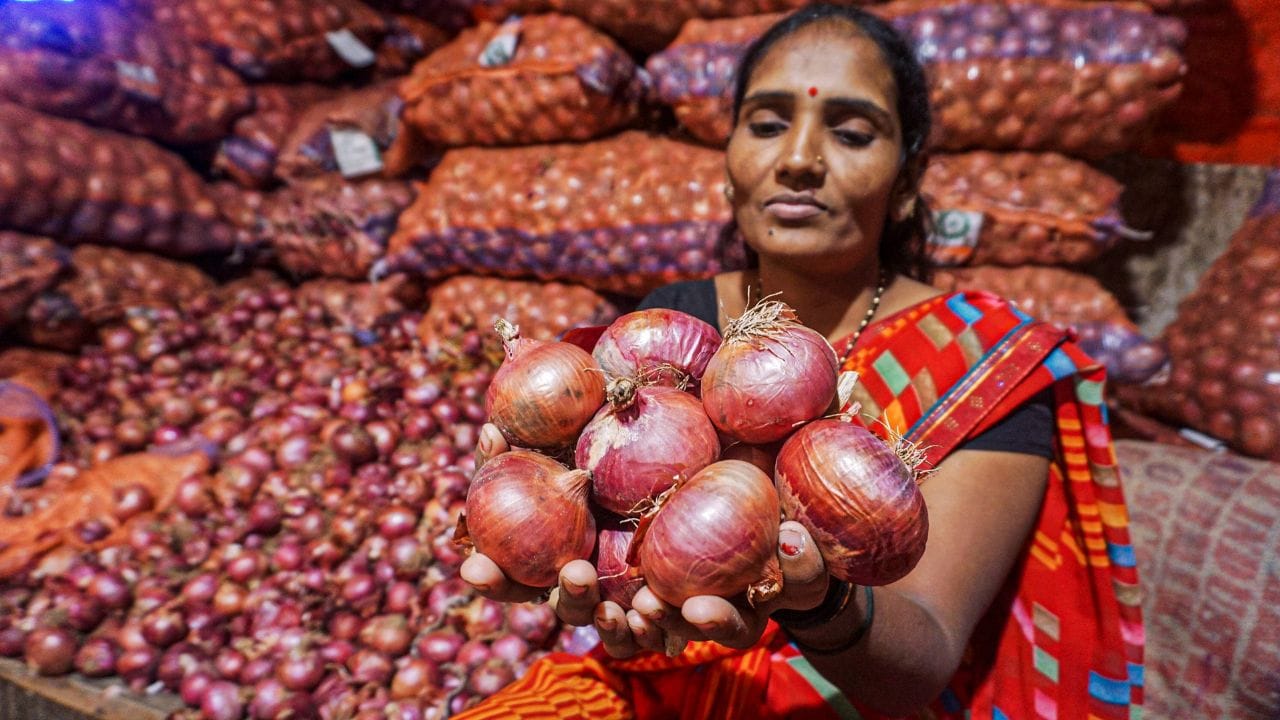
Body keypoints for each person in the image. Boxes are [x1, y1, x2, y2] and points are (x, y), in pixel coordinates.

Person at [453, 5, 1144, 718]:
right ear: (728, 165)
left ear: (907, 183)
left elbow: (923, 661)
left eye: (850, 132)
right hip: (647, 688)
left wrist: (820, 602)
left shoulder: (982, 360)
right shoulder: (666, 321)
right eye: (766, 124)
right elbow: (606, 521)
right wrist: (545, 506)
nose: (799, 159)